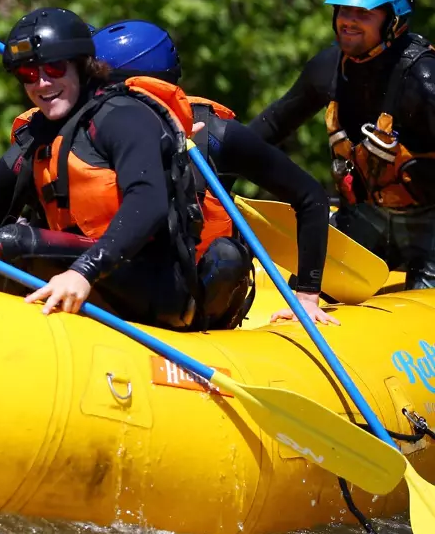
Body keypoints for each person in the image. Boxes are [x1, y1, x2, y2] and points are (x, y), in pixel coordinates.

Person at [0, 8, 247, 331]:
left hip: (159, 286)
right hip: (96, 273)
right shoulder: (35, 139)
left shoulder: (124, 116)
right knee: (3, 242)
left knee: (14, 242)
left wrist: (83, 271)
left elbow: (148, 201)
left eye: (54, 67)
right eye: (28, 74)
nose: (42, 83)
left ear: (82, 65)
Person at [92, 20, 335, 325]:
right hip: (120, 283)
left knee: (227, 255)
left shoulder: (217, 135)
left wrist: (307, 297)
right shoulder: (88, 134)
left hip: (200, 300)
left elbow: (310, 196)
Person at [249, 0, 435, 289]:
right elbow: (270, 126)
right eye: (344, 11)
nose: (349, 22)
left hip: (429, 220)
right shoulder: (328, 67)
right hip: (365, 215)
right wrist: (216, 151)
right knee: (304, 285)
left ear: (395, 22)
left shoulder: (424, 80)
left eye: (364, 13)